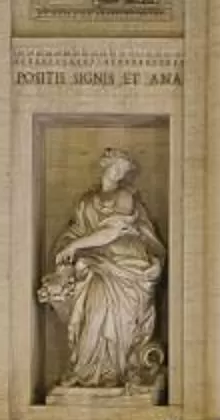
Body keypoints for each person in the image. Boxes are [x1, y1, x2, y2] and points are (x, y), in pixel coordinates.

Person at [37, 151, 165, 388]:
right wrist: (67, 250)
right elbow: (75, 232)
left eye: (123, 170)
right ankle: (88, 370)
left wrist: (76, 246)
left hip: (127, 265)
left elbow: (111, 232)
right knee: (94, 313)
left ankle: (117, 372)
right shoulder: (86, 201)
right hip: (95, 265)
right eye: (116, 167)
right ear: (105, 166)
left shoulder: (125, 196)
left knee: (119, 320)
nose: (119, 173)